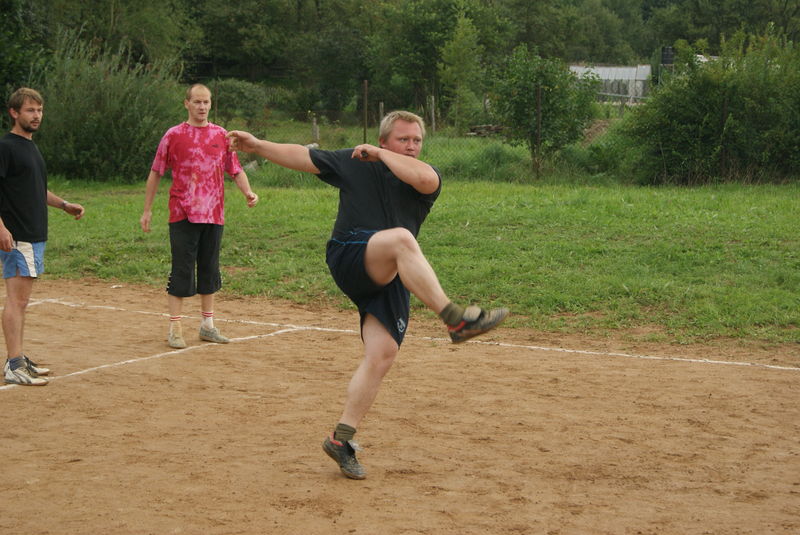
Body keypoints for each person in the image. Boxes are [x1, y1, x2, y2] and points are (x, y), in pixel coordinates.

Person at [228, 111, 508, 480]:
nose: (411, 146)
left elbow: (425, 179)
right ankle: (456, 319)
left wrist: (383, 156)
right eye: (403, 139)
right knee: (402, 239)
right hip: (350, 253)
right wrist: (257, 146)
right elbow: (303, 156)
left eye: (417, 140)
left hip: (391, 272)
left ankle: (341, 439)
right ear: (383, 140)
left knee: (382, 355)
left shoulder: (424, 175)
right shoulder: (355, 161)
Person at [140, 84, 259, 349]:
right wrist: (147, 210)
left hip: (214, 214)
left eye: (206, 102)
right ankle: (175, 327)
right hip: (182, 213)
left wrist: (248, 192)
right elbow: (156, 172)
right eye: (197, 102)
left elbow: (235, 170)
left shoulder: (221, 135)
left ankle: (208, 326)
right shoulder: (173, 135)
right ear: (187, 104)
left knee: (209, 269)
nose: (202, 107)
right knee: (182, 269)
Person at [0, 87, 86, 386]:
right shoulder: (6, 147)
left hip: (34, 234)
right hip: (18, 235)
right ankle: (14, 364)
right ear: (14, 113)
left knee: (22, 301)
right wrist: (1, 228)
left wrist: (64, 205)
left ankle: (17, 358)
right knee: (17, 300)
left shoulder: (30, 147)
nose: (36, 115)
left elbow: (35, 188)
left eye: (39, 110)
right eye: (30, 110)